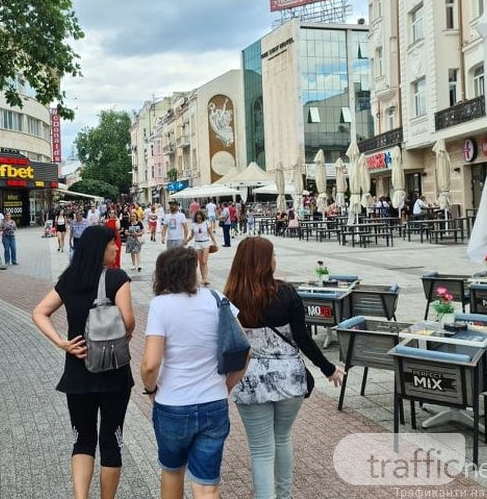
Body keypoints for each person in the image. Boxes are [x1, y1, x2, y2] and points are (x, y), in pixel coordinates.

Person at [224, 237, 345, 499]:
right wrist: (328, 369)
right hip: (289, 377)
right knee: (282, 438)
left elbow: (226, 344)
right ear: (265, 263)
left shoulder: (230, 297)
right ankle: (284, 495)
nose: (275, 260)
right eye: (273, 255)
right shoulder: (286, 293)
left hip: (249, 379)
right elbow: (303, 338)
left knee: (260, 450)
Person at [32, 226, 135, 499]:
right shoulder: (117, 278)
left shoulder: (69, 279)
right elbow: (128, 323)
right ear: (100, 248)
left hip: (77, 372)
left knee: (82, 439)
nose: (116, 249)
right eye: (113, 244)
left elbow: (39, 312)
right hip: (113, 371)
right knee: (111, 440)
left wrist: (61, 343)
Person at [141, 247, 249, 499]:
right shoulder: (216, 299)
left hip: (173, 403)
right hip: (213, 401)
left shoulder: (160, 306)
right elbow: (245, 350)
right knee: (207, 485)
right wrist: (226, 386)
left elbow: (150, 364)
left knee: (172, 472)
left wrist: (151, 390)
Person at [184, 211, 218, 286]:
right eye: (197, 217)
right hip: (197, 243)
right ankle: (201, 279)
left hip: (205, 243)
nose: (198, 218)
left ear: (202, 217)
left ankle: (205, 278)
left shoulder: (206, 223)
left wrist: (214, 242)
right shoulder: (193, 225)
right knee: (199, 261)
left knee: (204, 261)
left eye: (200, 217)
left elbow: (211, 233)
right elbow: (192, 235)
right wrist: (186, 240)